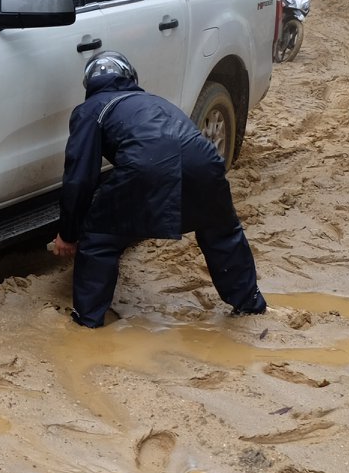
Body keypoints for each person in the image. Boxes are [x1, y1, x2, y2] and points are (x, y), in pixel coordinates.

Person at [53, 52, 267, 326]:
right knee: (222, 232)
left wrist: (68, 233)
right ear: (131, 77)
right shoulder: (154, 101)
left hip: (146, 165)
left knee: (99, 238)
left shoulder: (90, 110)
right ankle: (251, 307)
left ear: (89, 85)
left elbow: (80, 177)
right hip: (205, 162)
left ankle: (87, 323)